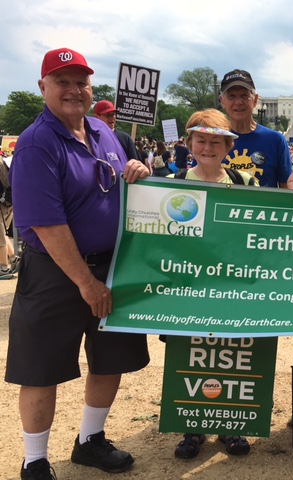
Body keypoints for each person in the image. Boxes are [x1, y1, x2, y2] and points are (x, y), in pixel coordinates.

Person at [4, 47, 150, 480]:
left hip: (111, 266)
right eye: (62, 81)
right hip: (56, 272)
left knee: (111, 359)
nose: (74, 90)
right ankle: (35, 460)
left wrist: (138, 173)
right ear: (43, 87)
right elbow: (47, 225)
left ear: (91, 88)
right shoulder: (36, 143)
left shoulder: (104, 134)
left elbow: (118, 192)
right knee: (41, 367)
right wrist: (87, 283)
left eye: (81, 81)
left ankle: (90, 440)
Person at [170, 109, 255, 459]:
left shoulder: (245, 182)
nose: (208, 147)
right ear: (190, 143)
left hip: (231, 284)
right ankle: (192, 426)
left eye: (215, 141)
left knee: (231, 353)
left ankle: (230, 425)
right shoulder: (173, 181)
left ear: (228, 145)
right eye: (201, 140)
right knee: (191, 352)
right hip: (189, 285)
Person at [219, 69, 292, 188]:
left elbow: (286, 187)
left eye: (244, 96)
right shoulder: (213, 139)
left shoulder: (275, 140)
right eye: (232, 96)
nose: (238, 102)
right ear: (222, 101)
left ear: (255, 100)